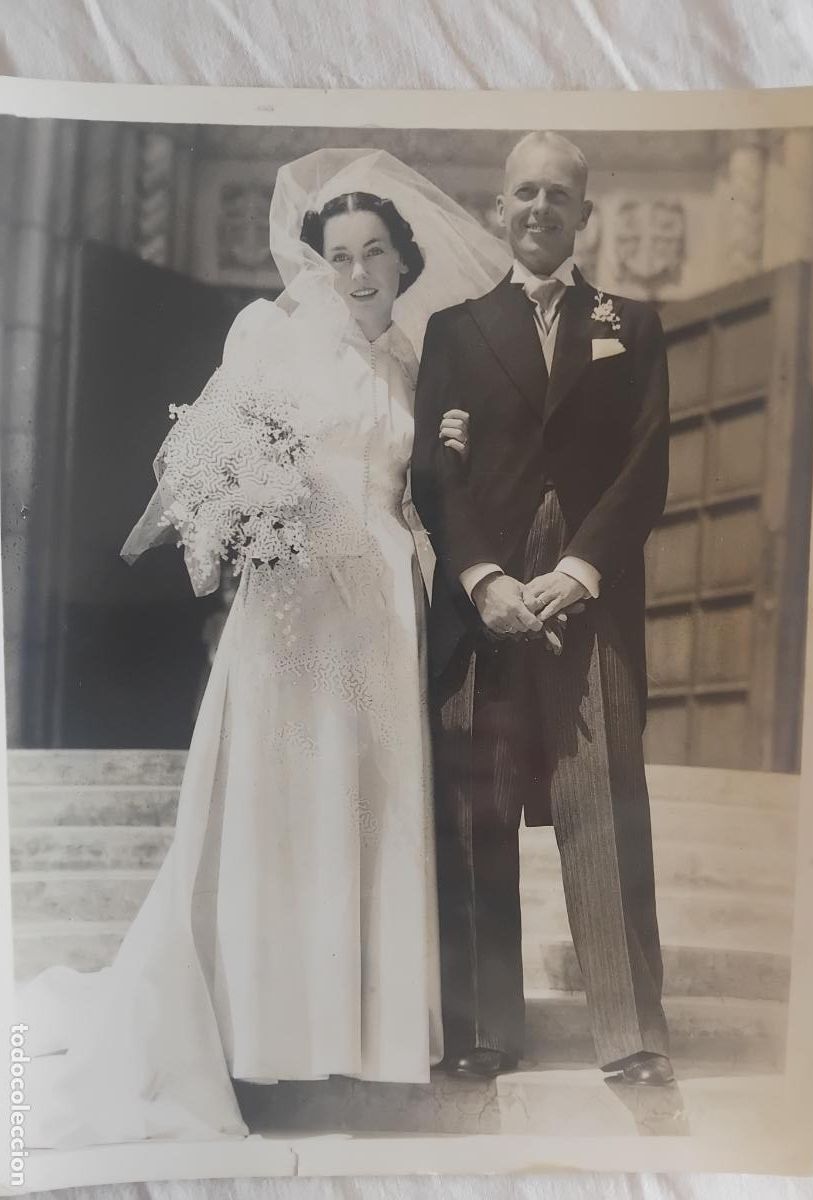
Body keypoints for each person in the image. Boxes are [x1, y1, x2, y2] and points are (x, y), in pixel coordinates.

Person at [16, 149, 511, 1148]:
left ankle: (355, 1042)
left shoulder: (419, 364)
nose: (359, 272)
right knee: (279, 811)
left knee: (363, 818)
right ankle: (254, 1035)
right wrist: (242, 521)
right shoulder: (271, 336)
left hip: (381, 609)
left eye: (376, 252)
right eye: (339, 255)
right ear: (316, 263)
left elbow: (421, 496)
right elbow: (194, 460)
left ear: (405, 261)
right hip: (292, 608)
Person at [411, 131, 674, 1086]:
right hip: (488, 606)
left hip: (584, 601)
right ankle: (486, 1031)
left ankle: (633, 1036)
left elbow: (648, 468)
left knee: (601, 802)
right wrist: (483, 578)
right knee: (479, 809)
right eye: (523, 193)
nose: (539, 209)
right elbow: (436, 476)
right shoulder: (454, 328)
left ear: (583, 215)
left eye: (558, 196)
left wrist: (579, 570)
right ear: (498, 210)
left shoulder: (631, 325)